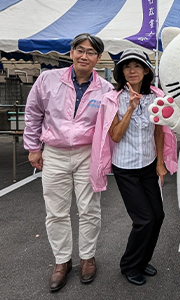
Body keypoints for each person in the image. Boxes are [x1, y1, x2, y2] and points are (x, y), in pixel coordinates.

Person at [23, 33, 113, 292]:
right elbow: (33, 113)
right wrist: (33, 148)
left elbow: (109, 125)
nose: (85, 56)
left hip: (88, 153)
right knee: (56, 210)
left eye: (91, 52)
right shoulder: (48, 79)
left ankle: (87, 257)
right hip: (54, 152)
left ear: (98, 58)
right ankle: (62, 262)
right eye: (80, 50)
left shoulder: (105, 89)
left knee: (89, 209)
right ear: (71, 52)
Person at [90, 48, 177, 285]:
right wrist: (130, 107)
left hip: (148, 165)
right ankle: (129, 265)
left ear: (146, 70)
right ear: (121, 72)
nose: (132, 70)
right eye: (127, 67)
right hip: (125, 168)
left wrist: (160, 163)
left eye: (137, 66)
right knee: (143, 219)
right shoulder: (113, 99)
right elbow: (116, 136)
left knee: (158, 215)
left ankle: (142, 260)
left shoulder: (155, 96)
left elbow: (159, 131)